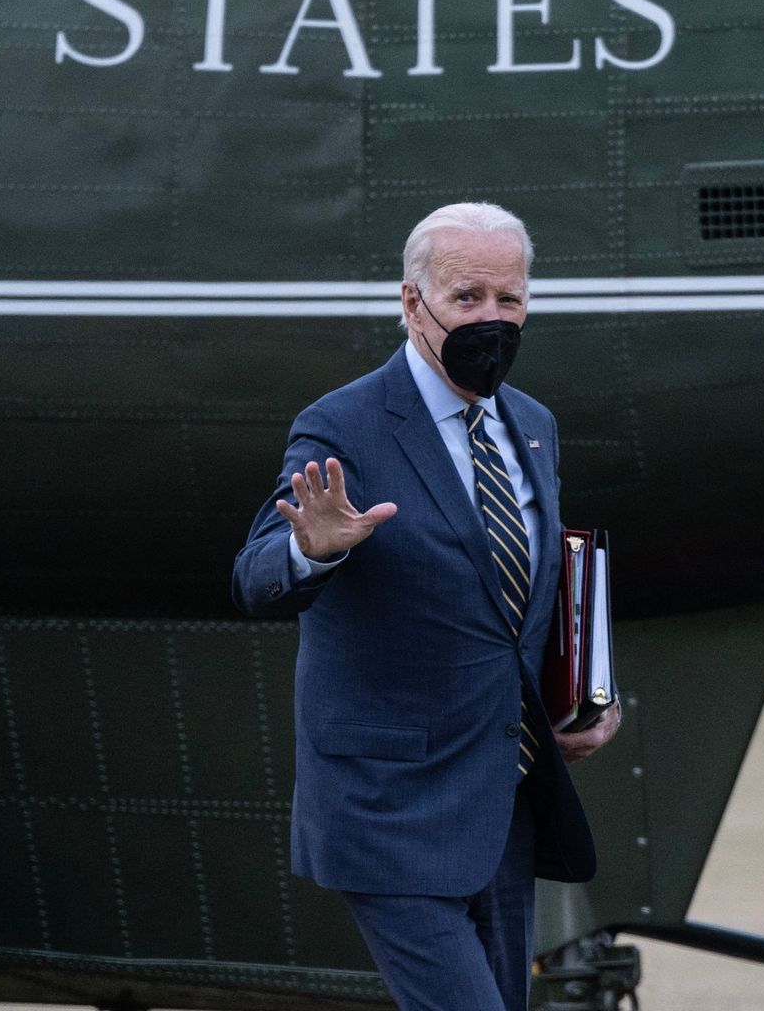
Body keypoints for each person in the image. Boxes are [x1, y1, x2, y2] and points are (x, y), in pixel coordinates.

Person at [231, 201, 621, 1011]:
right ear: (414, 303)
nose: (492, 318)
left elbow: (517, 602)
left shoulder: (533, 426)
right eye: (467, 297)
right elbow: (255, 574)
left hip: (501, 804)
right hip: (389, 811)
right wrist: (316, 546)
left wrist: (584, 697)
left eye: (508, 300)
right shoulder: (345, 425)